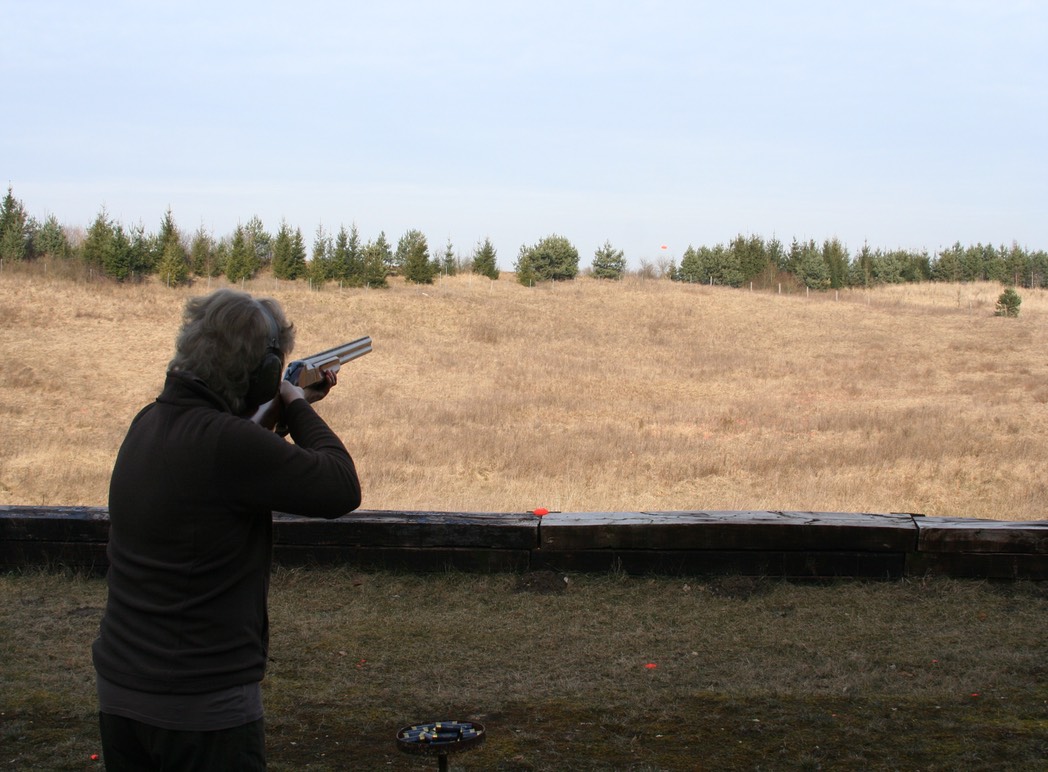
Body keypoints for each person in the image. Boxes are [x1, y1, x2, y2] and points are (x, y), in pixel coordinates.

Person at [91, 288, 362, 771]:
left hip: (122, 689)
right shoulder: (226, 443)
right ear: (262, 371)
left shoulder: (149, 421)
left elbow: (231, 463)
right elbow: (341, 487)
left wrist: (279, 406)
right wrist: (295, 402)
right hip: (200, 705)